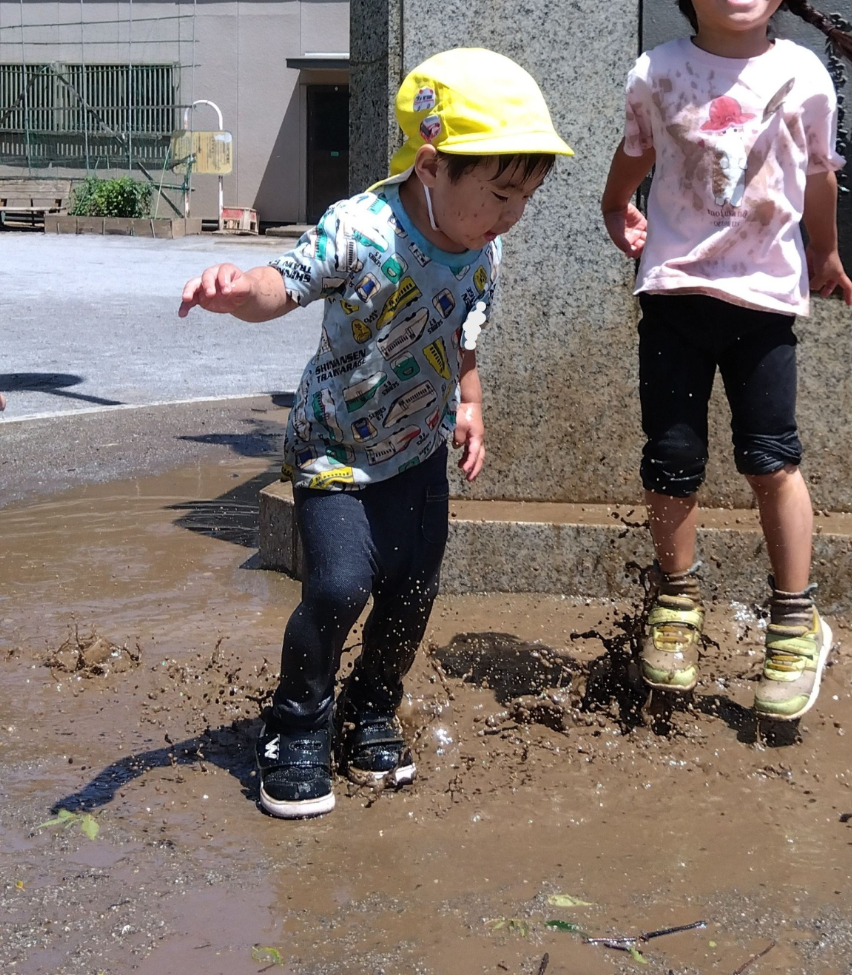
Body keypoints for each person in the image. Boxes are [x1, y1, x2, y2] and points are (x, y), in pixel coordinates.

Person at [180, 49, 572, 816]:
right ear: (431, 166)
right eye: (498, 192)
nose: (509, 214)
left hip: (419, 449)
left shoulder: (485, 247)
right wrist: (237, 290)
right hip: (335, 447)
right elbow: (283, 285)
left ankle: (371, 707)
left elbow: (467, 331)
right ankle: (295, 726)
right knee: (338, 585)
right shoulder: (358, 229)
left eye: (524, 196)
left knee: (413, 591)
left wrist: (470, 403)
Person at [600, 0, 852, 720]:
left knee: (771, 458)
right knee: (672, 456)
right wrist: (615, 205)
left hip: (763, 301)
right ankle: (677, 604)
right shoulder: (655, 71)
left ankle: (795, 623)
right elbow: (633, 154)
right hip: (675, 292)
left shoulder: (800, 73)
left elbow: (817, 182)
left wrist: (827, 255)